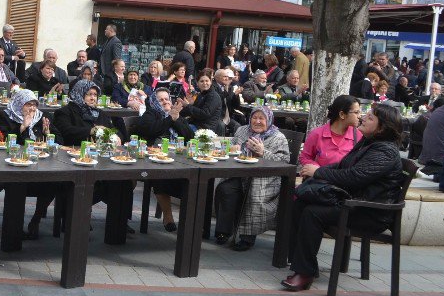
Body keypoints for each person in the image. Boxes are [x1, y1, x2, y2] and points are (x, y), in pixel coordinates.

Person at [285, 104, 404, 291]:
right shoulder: (368, 142)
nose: (363, 117)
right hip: (354, 203)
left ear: (382, 128)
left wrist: (318, 172)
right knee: (301, 201)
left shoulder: (385, 151)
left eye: (371, 117)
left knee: (312, 213)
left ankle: (304, 273)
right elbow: (343, 166)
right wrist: (318, 171)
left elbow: (354, 177)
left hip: (371, 212)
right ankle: (303, 265)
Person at [213, 105, 291, 250]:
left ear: (269, 120)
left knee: (254, 193)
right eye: (254, 117)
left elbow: (284, 161)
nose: (257, 121)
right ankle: (223, 231)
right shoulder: (243, 130)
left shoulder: (278, 138)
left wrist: (263, 153)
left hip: (264, 178)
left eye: (262, 118)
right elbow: (233, 146)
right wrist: (233, 148)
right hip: (240, 174)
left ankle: (247, 238)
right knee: (225, 189)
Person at [0, 89, 52, 238]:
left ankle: (36, 220)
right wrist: (22, 127)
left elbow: (59, 141)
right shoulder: (6, 116)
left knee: (55, 183)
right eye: (28, 104)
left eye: (34, 105)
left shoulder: (41, 117)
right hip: (13, 166)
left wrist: (47, 133)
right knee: (17, 184)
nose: (32, 108)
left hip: (39, 166)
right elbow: (3, 141)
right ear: (19, 103)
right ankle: (14, 232)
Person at [135, 88, 194, 230]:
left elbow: (190, 136)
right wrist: (169, 119)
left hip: (178, 158)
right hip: (156, 158)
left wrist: (175, 118)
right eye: (161, 99)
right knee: (161, 176)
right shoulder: (150, 114)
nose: (165, 101)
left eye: (167, 99)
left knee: (195, 177)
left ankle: (193, 222)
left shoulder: (176, 115)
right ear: (154, 102)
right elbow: (150, 130)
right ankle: (168, 217)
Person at [300, 95, 360, 167]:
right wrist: (316, 169)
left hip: (345, 177)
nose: (359, 116)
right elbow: (305, 157)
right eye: (356, 112)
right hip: (320, 177)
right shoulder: (317, 134)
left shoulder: (358, 136)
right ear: (342, 114)